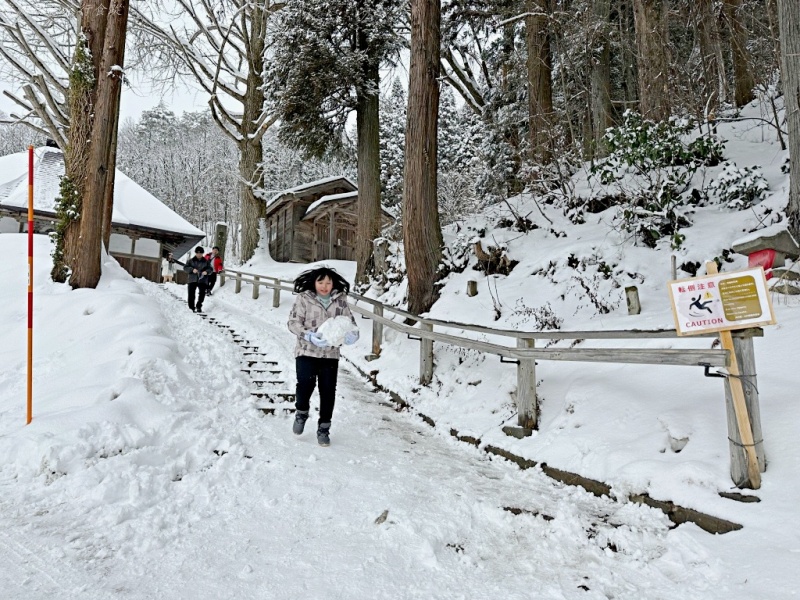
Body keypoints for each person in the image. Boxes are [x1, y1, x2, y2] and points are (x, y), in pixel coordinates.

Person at [287, 266, 359, 446]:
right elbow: (293, 323)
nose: (324, 286)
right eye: (321, 282)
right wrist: (308, 334)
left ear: (333, 283)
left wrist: (352, 334)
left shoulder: (340, 301)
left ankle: (324, 429)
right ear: (314, 282)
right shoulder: (304, 298)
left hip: (330, 354)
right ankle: (301, 412)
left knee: (328, 391)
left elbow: (350, 323)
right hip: (306, 351)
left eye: (328, 282)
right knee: (305, 384)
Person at [183, 247, 213, 312]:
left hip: (202, 279)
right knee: (191, 294)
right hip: (192, 279)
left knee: (202, 293)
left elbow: (210, 269)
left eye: (200, 253)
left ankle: (199, 305)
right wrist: (192, 270)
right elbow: (185, 268)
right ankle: (191, 307)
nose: (199, 254)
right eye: (197, 253)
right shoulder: (190, 261)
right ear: (195, 253)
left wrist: (206, 272)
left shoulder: (206, 261)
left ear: (202, 253)